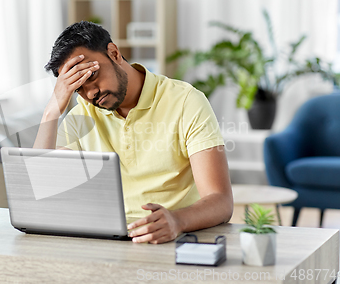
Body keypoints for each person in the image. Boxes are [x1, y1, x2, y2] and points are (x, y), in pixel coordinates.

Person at [34, 21, 233, 244]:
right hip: (106, 243)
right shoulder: (81, 117)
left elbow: (221, 201)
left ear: (114, 53)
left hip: (174, 239)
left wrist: (176, 221)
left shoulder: (186, 101)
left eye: (90, 76)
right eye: (77, 88)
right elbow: (42, 194)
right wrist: (51, 112)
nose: (90, 93)